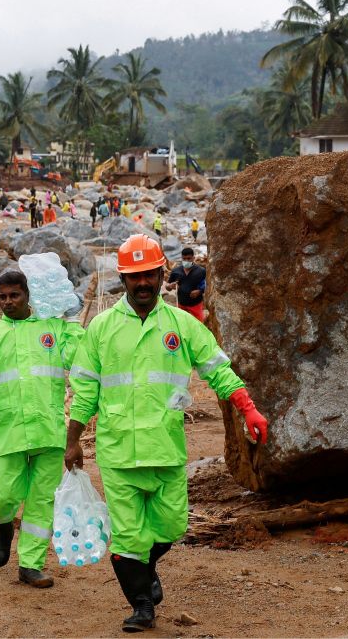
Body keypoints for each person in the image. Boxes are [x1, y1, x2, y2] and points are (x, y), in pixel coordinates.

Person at [66, 235, 268, 632]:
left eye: (149, 275)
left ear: (163, 276)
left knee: (172, 527)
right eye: (134, 277)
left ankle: (146, 568)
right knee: (128, 538)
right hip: (118, 451)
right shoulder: (101, 329)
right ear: (122, 280)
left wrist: (248, 408)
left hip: (166, 448)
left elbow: (217, 370)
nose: (143, 284)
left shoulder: (182, 326)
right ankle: (142, 605)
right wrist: (72, 441)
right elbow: (86, 390)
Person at [0, 270, 85, 589]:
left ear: (28, 296)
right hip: (8, 433)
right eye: (2, 297)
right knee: (2, 497)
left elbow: (81, 357)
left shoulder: (51, 329)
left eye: (14, 295)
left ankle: (30, 565)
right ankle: (4, 528)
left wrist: (73, 321)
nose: (8, 302)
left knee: (41, 502)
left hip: (49, 432)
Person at [166, 248, 207, 322]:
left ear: (193, 258)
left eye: (189, 258)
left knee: (199, 325)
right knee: (182, 324)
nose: (186, 261)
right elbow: (168, 287)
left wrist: (199, 291)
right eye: (184, 259)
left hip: (196, 305)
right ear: (181, 258)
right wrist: (170, 286)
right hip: (181, 304)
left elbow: (207, 285)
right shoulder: (176, 271)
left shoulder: (201, 271)